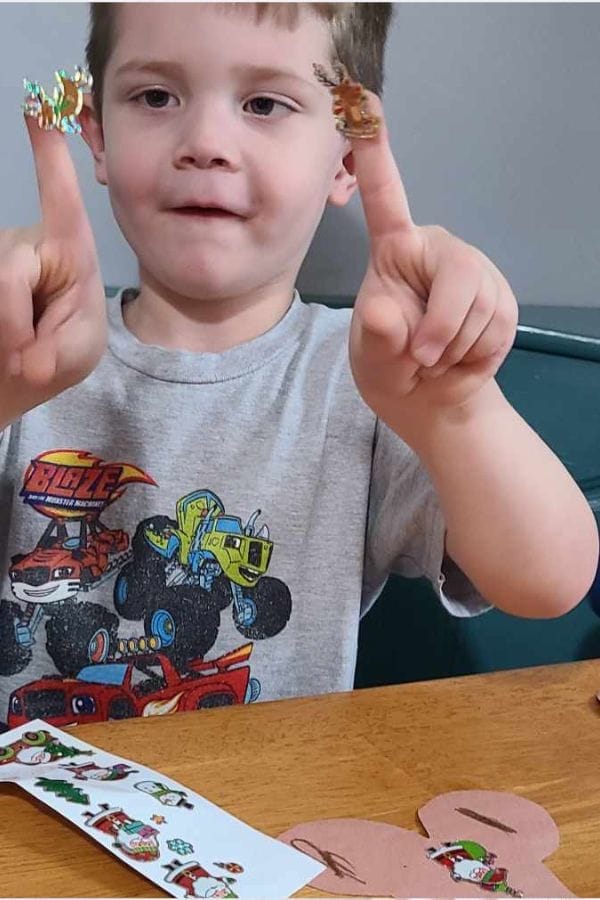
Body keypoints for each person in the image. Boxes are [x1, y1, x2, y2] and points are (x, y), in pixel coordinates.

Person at [0, 2, 596, 729]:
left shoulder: (370, 376)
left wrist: (456, 411)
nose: (206, 144)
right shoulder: (23, 354)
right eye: (155, 96)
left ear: (345, 159)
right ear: (96, 135)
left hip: (268, 797)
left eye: (263, 104)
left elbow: (549, 581)